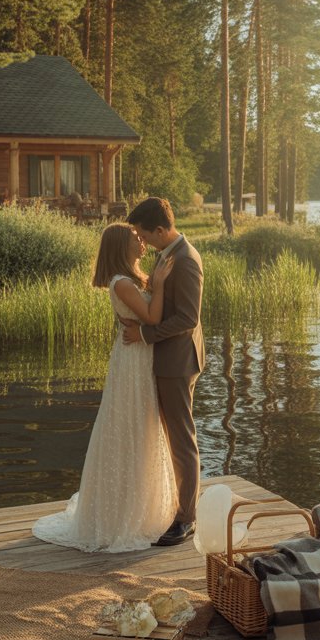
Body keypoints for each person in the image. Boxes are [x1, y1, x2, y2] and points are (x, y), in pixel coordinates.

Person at [32, 223, 177, 552]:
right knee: (130, 426)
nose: (141, 241)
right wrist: (162, 284)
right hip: (133, 361)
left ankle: (145, 505)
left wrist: (153, 282)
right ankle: (124, 514)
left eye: (142, 236)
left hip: (139, 355)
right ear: (120, 247)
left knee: (143, 427)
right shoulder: (122, 283)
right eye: (135, 238)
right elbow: (153, 318)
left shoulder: (133, 278)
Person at [121, 197, 205, 546]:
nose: (142, 241)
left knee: (181, 439)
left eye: (144, 234)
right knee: (172, 436)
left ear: (160, 229)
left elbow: (188, 319)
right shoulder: (167, 254)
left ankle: (187, 518)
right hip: (167, 358)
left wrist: (143, 334)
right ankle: (177, 506)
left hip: (177, 360)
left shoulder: (185, 261)